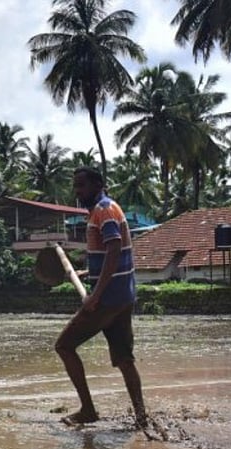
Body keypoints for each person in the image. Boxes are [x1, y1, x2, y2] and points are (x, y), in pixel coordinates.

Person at [55, 167, 146, 428]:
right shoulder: (109, 208)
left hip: (107, 300)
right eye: (76, 186)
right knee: (125, 359)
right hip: (123, 296)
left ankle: (88, 410)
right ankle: (141, 417)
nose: (78, 192)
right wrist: (88, 272)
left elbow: (114, 248)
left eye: (81, 186)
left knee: (64, 346)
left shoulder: (103, 210)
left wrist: (95, 295)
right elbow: (108, 255)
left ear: (98, 185)